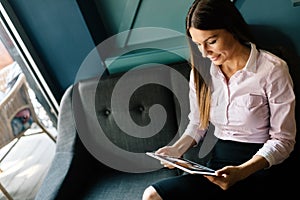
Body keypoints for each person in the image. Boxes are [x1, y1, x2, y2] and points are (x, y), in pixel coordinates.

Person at [142, 0, 296, 199]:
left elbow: (283, 140)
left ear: (232, 29)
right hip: (218, 167)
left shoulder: (272, 70)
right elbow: (198, 123)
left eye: (212, 41)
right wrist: (176, 149)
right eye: (198, 44)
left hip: (260, 167)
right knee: (152, 195)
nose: (205, 53)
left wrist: (242, 171)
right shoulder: (201, 71)